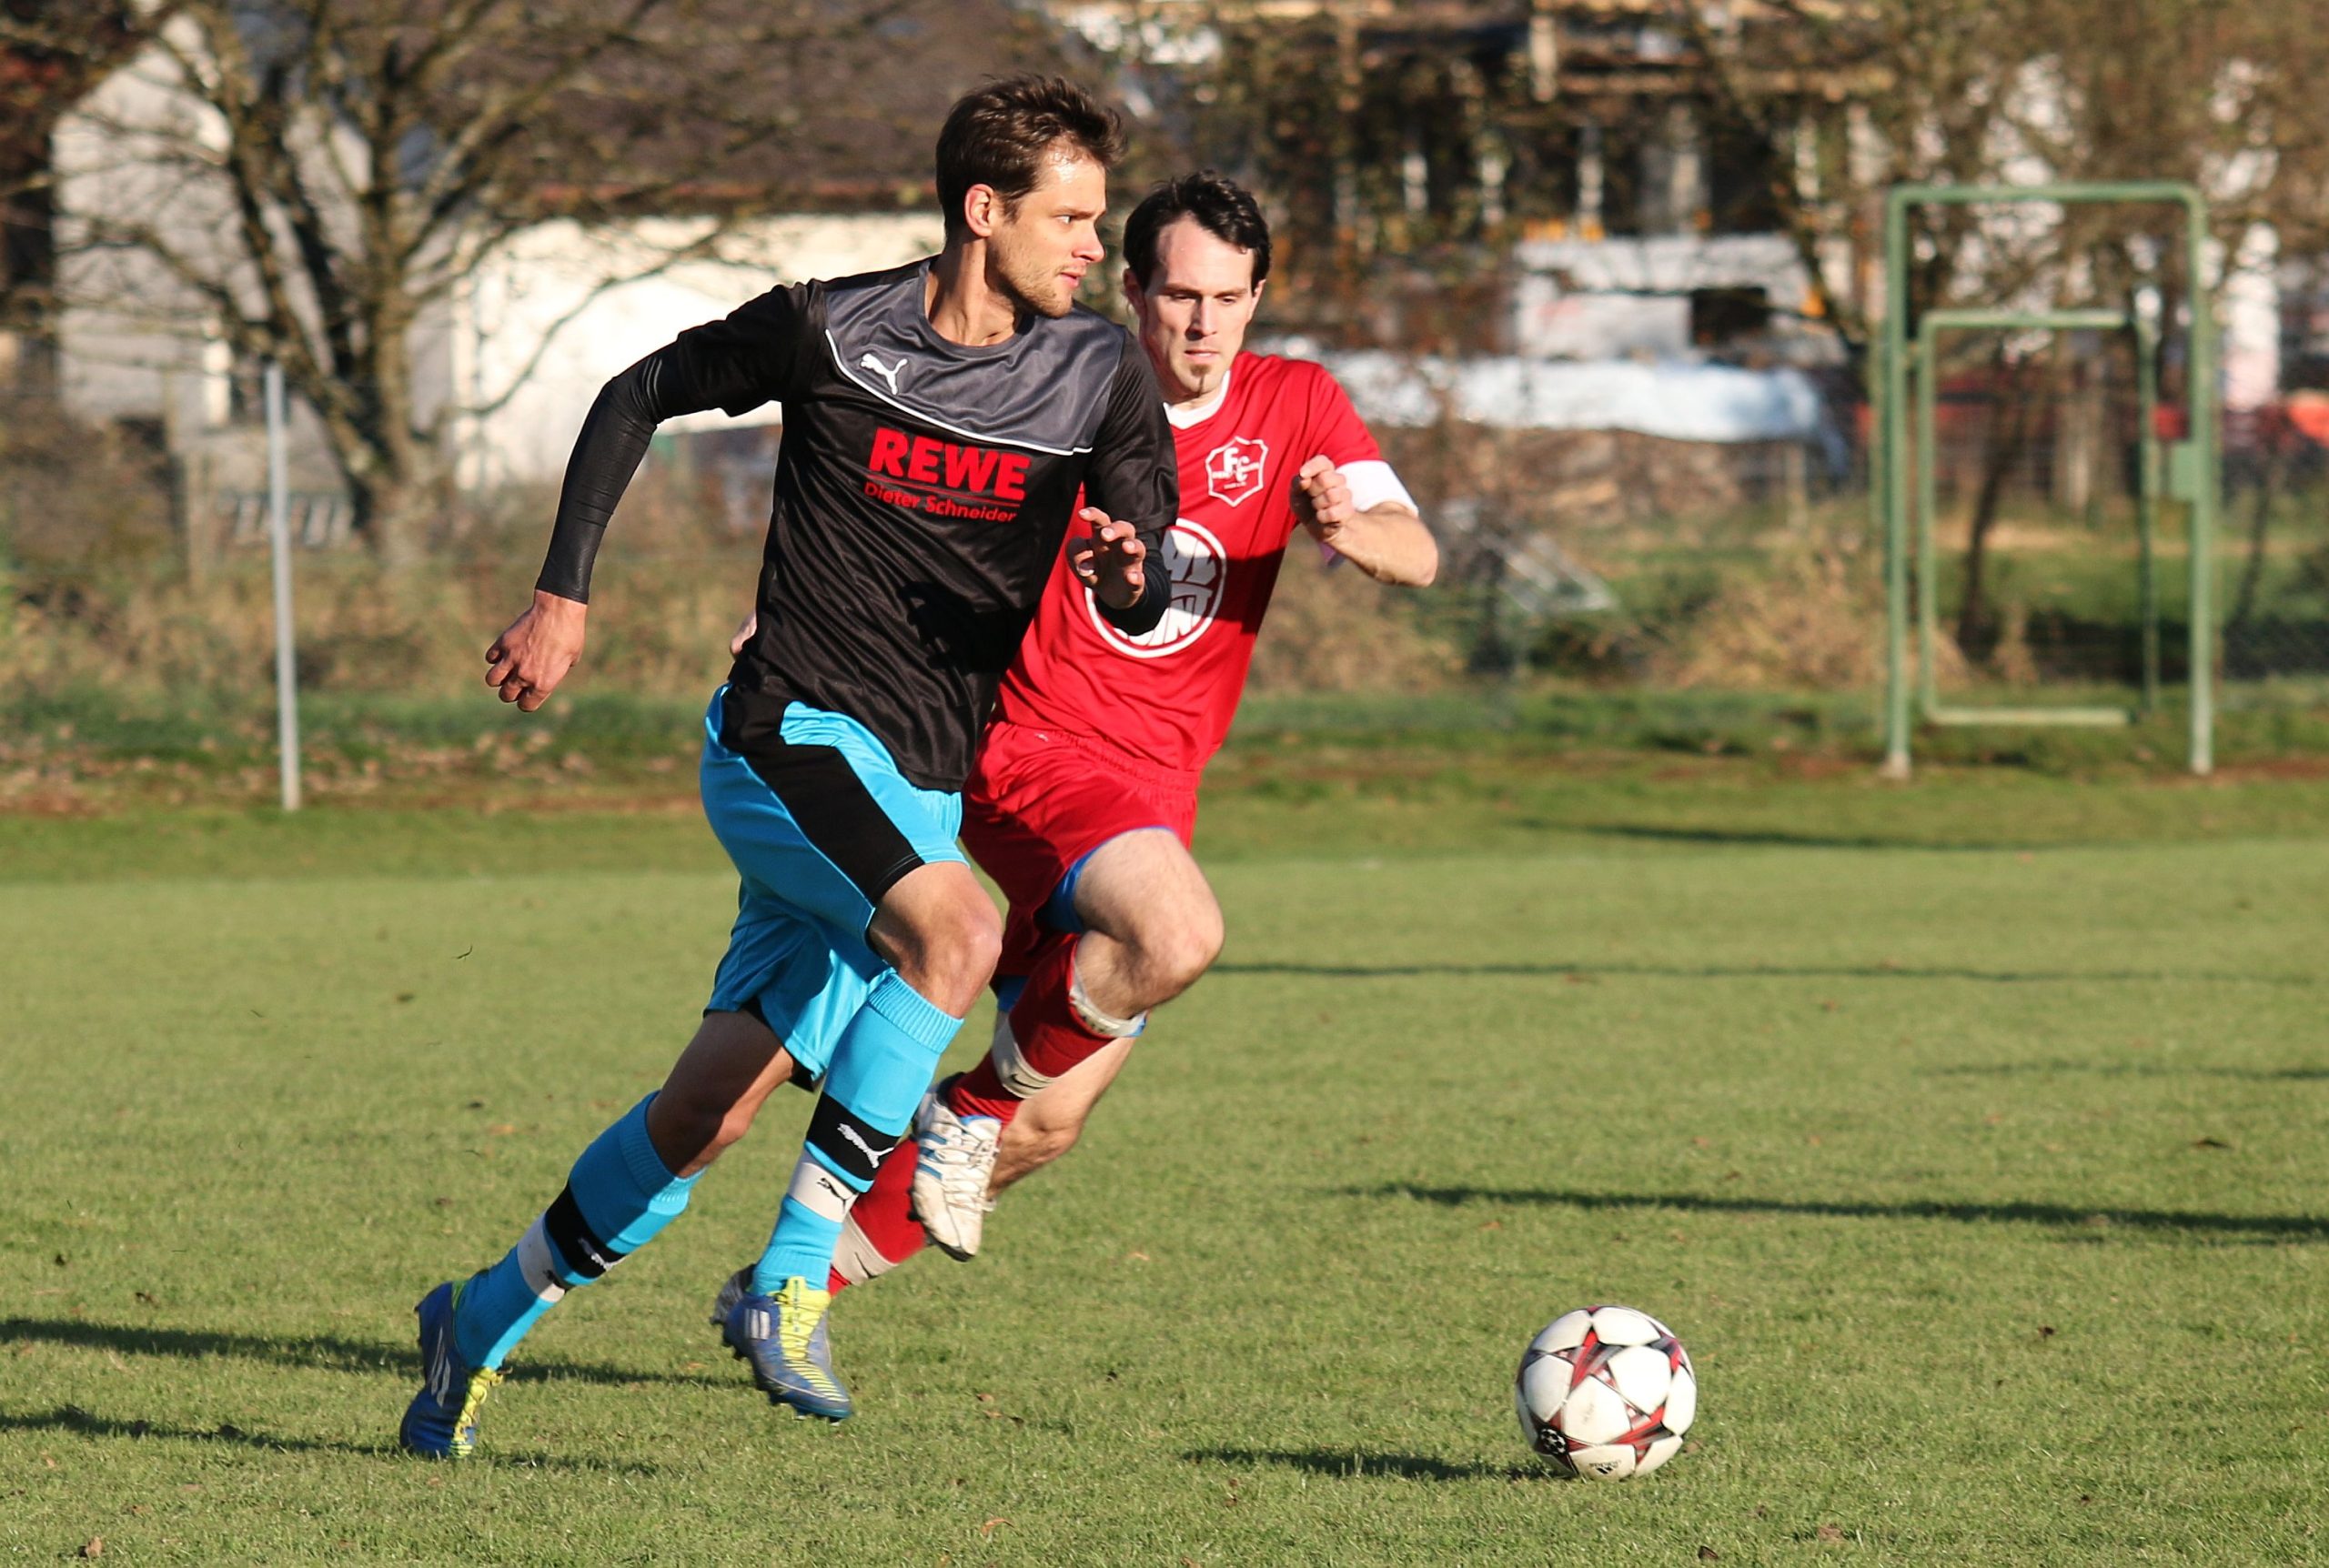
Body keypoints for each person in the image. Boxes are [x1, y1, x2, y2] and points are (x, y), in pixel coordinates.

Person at [398, 75, 1176, 1456]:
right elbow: (639, 392)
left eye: (1096, 219)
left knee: (709, 1113)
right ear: (981, 210)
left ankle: (476, 1315)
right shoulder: (832, 327)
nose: (1091, 247)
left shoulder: (1097, 371)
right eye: (1068, 218)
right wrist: (563, 593)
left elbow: (1149, 557)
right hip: (787, 734)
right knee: (960, 932)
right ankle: (793, 1280)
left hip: (915, 785)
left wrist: (1129, 572)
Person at [712, 171, 1436, 1329]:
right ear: (1134, 290)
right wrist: (803, 619)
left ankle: (789, 1289)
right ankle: (940, 1107)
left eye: (1230, 299)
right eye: (1181, 296)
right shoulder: (1061, 380)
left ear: (1257, 300)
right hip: (1028, 748)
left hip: (1152, 796)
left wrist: (1349, 525)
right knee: (1175, 935)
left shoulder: (1299, 403)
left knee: (1044, 1122)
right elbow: (904, 506)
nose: (1203, 324)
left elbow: (1419, 552)